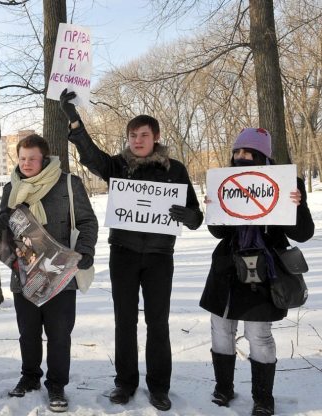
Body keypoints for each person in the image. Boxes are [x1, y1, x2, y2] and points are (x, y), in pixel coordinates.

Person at [59, 89, 203, 411]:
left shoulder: (175, 170)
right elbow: (93, 158)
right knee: (124, 321)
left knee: (158, 322)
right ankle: (125, 383)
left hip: (159, 258)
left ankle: (159, 387)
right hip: (123, 254)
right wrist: (75, 123)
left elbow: (196, 217)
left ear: (156, 137)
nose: (137, 140)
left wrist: (189, 215)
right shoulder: (119, 166)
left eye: (143, 135)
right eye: (132, 135)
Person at [199, 128, 314, 416]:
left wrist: (296, 205)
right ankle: (223, 388)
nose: (240, 157)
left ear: (262, 155)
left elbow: (303, 233)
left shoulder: (287, 182)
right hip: (228, 267)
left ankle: (263, 397)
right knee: (221, 330)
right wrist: (214, 208)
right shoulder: (227, 181)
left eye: (248, 152)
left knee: (259, 334)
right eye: (237, 152)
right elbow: (217, 232)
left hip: (265, 269)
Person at [0, 134, 98, 413]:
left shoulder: (67, 183)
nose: (26, 163)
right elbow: (6, 227)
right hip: (24, 271)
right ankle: (29, 377)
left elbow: (88, 221)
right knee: (27, 332)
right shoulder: (11, 187)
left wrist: (86, 251)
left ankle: (56, 384)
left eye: (32, 158)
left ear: (45, 158)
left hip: (60, 272)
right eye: (22, 158)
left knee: (59, 334)